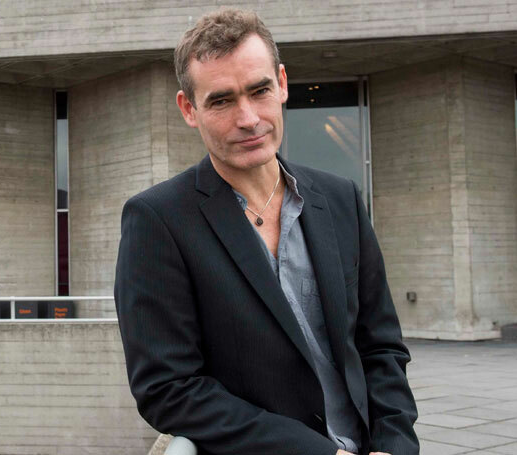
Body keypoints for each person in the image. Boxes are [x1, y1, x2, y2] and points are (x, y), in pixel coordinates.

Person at [114, 8, 419, 455]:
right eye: (221, 100)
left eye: (259, 91)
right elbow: (169, 388)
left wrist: (394, 446)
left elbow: (381, 347)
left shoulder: (340, 200)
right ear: (188, 109)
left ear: (282, 83)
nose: (249, 118)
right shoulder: (157, 221)